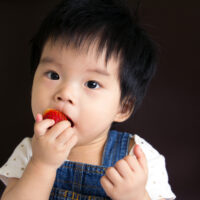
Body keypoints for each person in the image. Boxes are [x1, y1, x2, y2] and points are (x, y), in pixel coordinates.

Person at [0, 0, 176, 199]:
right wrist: (42, 165)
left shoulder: (136, 156)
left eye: (92, 84)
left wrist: (136, 196)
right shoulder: (30, 152)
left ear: (123, 107)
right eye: (53, 75)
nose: (65, 93)